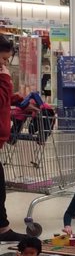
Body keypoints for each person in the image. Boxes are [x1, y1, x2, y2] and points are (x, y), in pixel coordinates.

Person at [0, 35, 31, 242]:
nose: (5, 64)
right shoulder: (3, 77)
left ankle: (2, 228)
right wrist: (6, 79)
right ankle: (2, 229)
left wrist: (20, 100)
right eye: (2, 59)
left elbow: (4, 98)